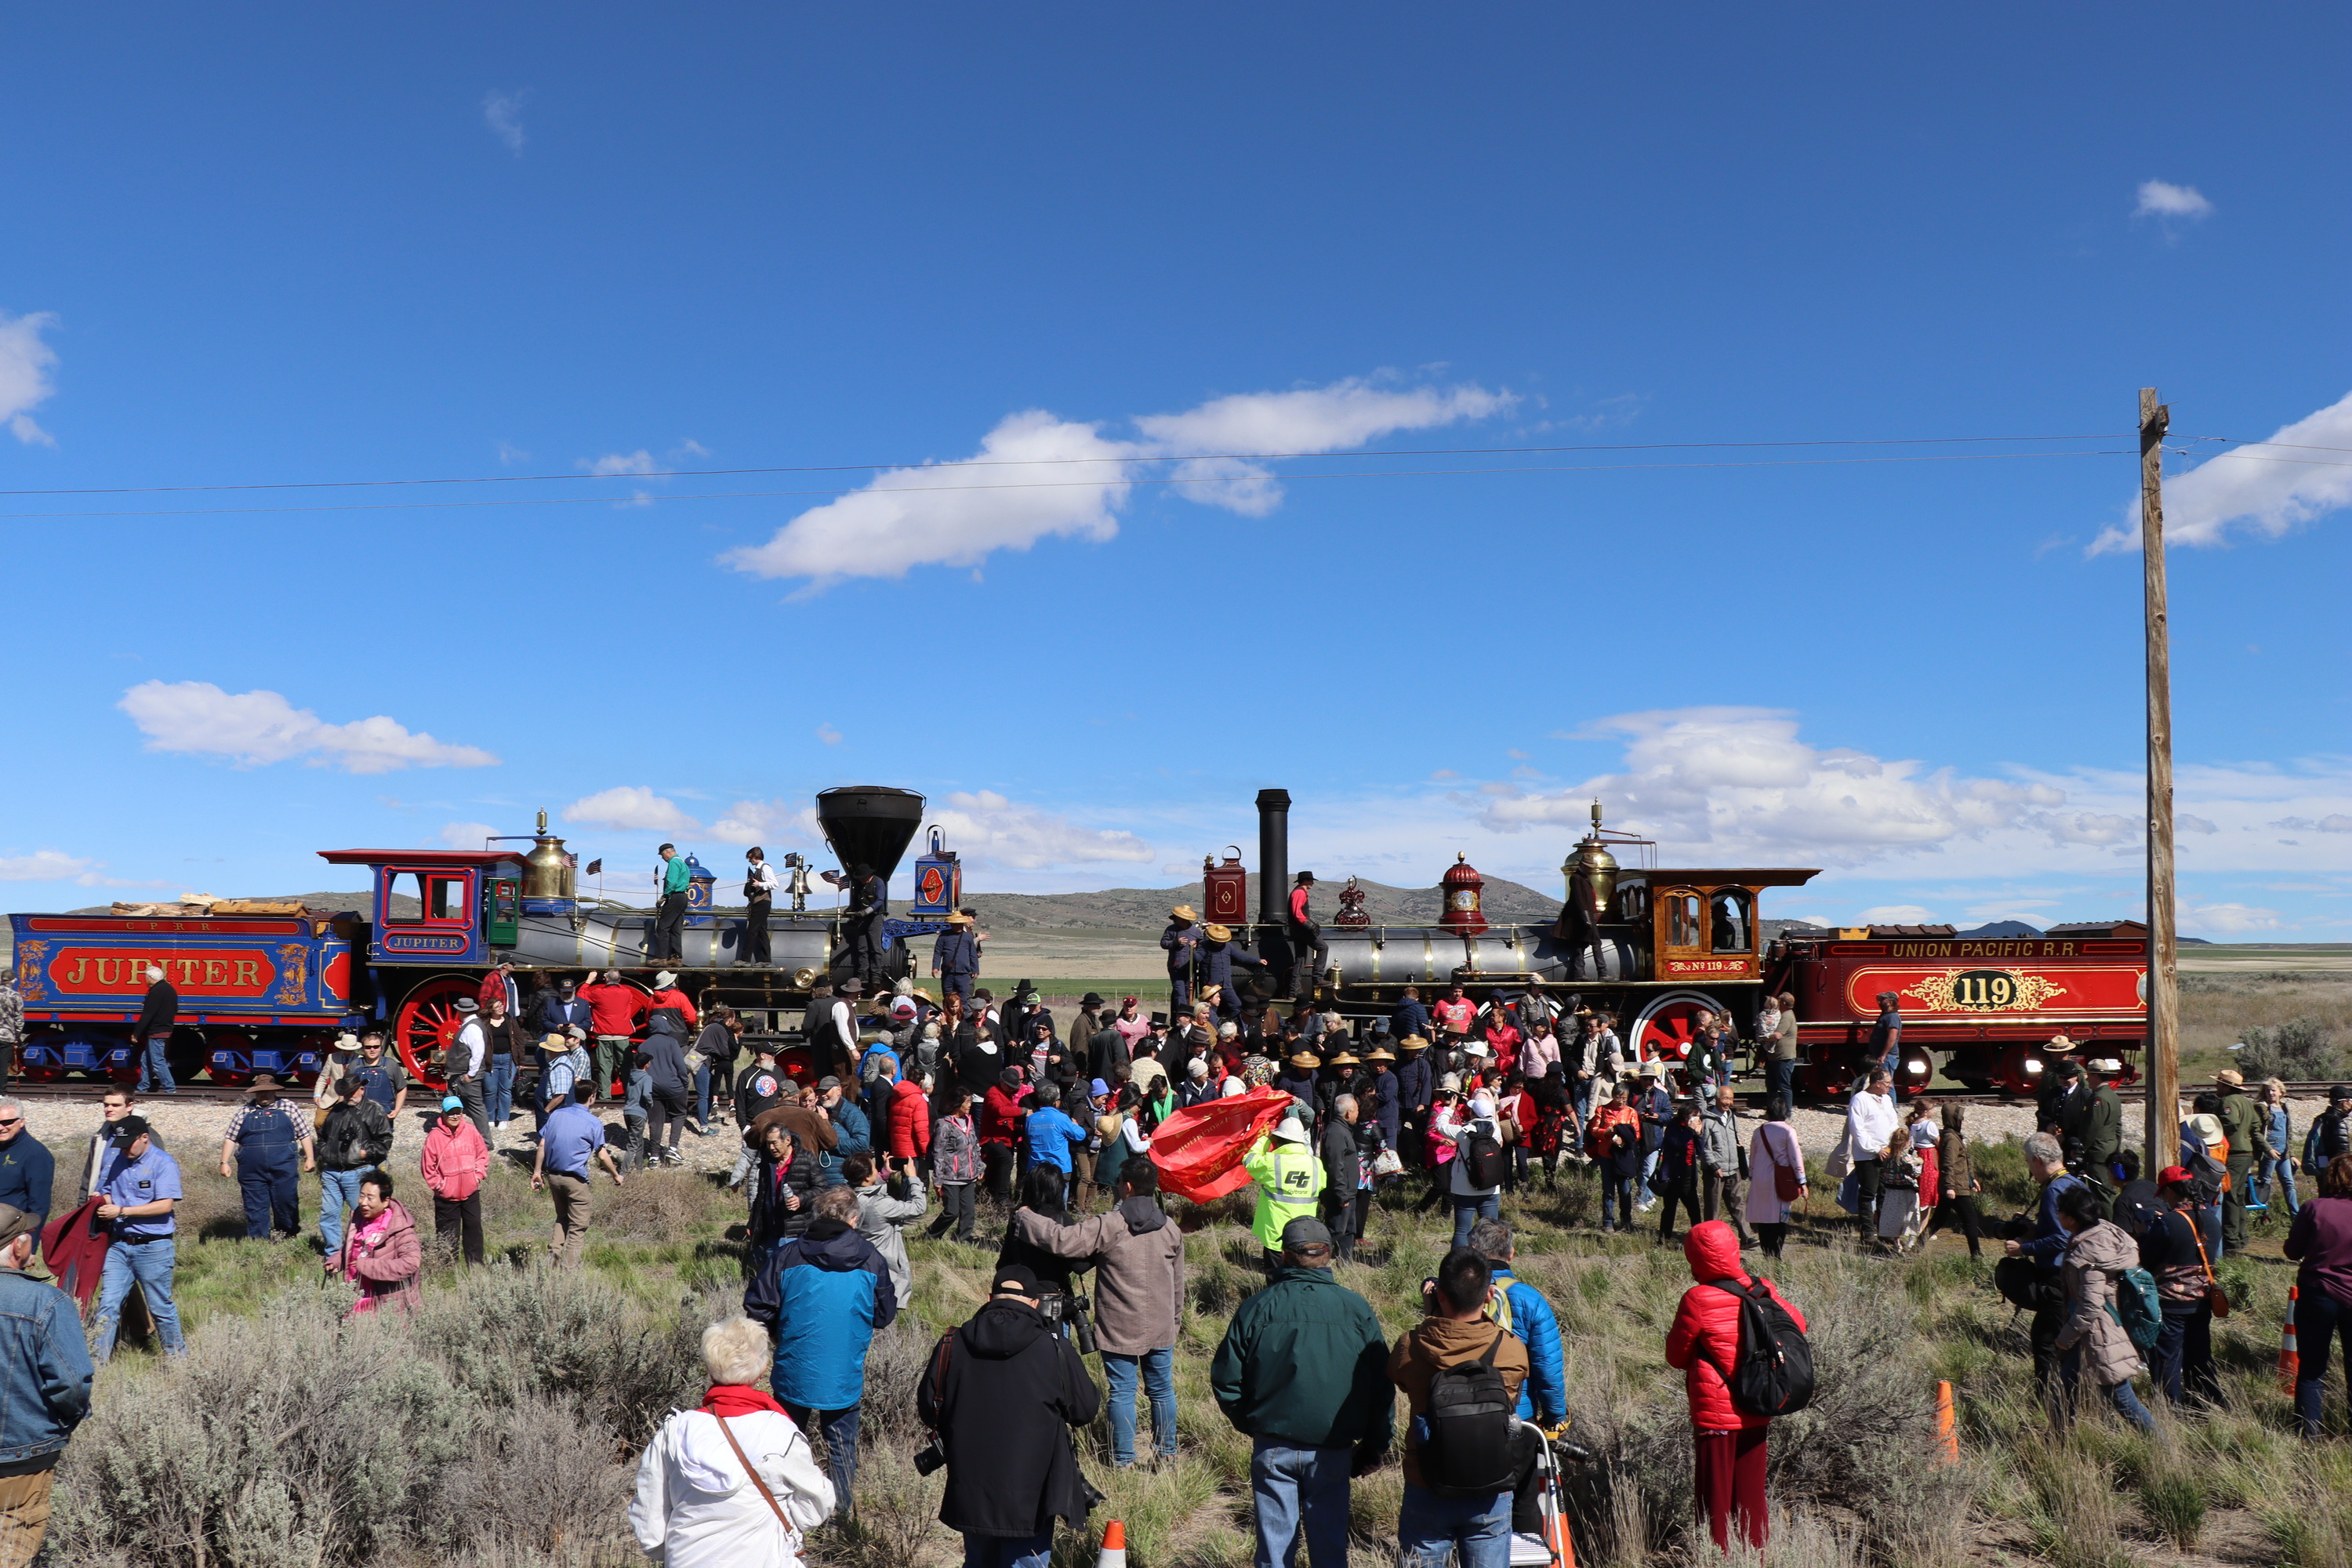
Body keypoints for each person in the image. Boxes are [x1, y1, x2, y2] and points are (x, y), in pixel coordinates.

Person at [1212, 1216, 1392, 1568]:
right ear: (1329, 1254)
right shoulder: (1356, 1309)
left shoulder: (1257, 1307)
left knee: (1275, 1552)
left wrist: (1254, 1423)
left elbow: (1226, 1380)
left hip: (1273, 1445)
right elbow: (1381, 1385)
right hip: (1333, 1449)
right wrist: (1375, 1443)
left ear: (1284, 1255)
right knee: (1329, 1548)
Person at [916, 1262, 1101, 1568]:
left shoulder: (953, 1342)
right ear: (1035, 1302)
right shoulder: (1054, 1349)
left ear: (990, 1298)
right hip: (1034, 1491)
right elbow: (1084, 1411)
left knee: (978, 1561)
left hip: (971, 1484)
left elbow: (928, 1407)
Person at [1011, 1159, 1185, 1469]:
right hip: (1161, 1324)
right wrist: (1175, 1322)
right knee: (1161, 1390)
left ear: (1127, 1187)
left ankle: (1123, 1461)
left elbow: (1062, 1241)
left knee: (1122, 1393)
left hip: (1120, 1324)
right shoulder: (1171, 1228)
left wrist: (1026, 1217)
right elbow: (1178, 1284)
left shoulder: (1110, 1224)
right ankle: (1167, 1455)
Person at [631, 1316, 836, 1568]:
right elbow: (817, 1504)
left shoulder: (675, 1430)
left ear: (710, 1370)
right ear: (763, 1370)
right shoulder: (780, 1432)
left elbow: (649, 1514)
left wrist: (677, 1550)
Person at [744, 1184, 895, 1508]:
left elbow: (757, 1306)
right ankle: (840, 1518)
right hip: (844, 1372)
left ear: (816, 1215)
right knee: (841, 1447)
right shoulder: (872, 1260)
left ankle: (782, 1509)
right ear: (855, 1219)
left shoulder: (787, 1255)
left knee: (784, 1444)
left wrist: (776, 1333)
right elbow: (884, 1315)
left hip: (793, 1368)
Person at [1664, 1220, 1809, 1552]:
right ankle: (1753, 1556)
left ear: (1695, 1258)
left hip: (1716, 1414)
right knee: (1751, 1495)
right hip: (1758, 1404)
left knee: (1713, 1498)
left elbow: (1676, 1355)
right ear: (1734, 1251)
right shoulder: (1761, 1289)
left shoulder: (1697, 1299)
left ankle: (1716, 1556)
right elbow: (1797, 1325)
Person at [1390, 1245, 1528, 1568]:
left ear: (1440, 1294)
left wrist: (1432, 1316)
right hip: (1490, 1487)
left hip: (1427, 1481)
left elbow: (1402, 1377)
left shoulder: (1410, 1346)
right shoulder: (1510, 1350)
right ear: (1489, 1296)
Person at [0, 1201, 91, 1566]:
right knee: (13, 1547)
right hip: (23, 1457)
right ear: (19, 1247)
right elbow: (73, 1385)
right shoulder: (45, 1302)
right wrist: (61, 1425)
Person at [2049, 1183, 2155, 1432]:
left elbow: (2090, 1306)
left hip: (2100, 1334)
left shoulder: (2090, 1252)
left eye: (2061, 1212)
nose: (2058, 1216)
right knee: (2064, 1386)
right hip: (2088, 1332)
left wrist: (2063, 1340)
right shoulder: (2103, 1231)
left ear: (2072, 1219)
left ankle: (2163, 1445)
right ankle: (2056, 1439)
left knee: (2122, 1399)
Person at [1999, 1132, 2088, 1405]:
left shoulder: (2052, 1191)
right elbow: (2069, 1231)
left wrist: (2023, 1248)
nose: (2028, 1167)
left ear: (2038, 1160)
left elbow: (2061, 1239)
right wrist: (2037, 1231)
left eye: (2028, 1162)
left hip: (2056, 1280)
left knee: (2047, 1343)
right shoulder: (2075, 1184)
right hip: (2079, 1275)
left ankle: (2051, 1401)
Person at [92, 1116, 186, 1362]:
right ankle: (95, 1365)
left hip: (153, 1247)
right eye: (121, 1144)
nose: (124, 1149)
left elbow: (165, 1205)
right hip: (119, 1246)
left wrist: (122, 1211)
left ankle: (177, 1361)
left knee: (160, 1308)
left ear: (144, 1138)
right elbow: (108, 1192)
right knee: (107, 1306)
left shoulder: (163, 1163)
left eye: (128, 1144)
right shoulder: (117, 1160)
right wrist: (103, 1202)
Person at [2140, 1165, 2220, 1406]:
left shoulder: (2167, 1222)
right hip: (2202, 1299)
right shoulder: (2212, 1219)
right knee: (2200, 1355)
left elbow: (2147, 1261)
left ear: (2172, 1191)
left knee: (2167, 1358)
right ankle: (2203, 1404)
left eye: (2164, 1193)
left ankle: (2170, 1406)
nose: (2164, 1199)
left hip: (2171, 1302)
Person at [2285, 1154, 2352, 1439]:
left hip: (2318, 1292)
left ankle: (2309, 1435)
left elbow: (2292, 1251)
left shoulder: (2314, 1208)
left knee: (2312, 1369)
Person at [532, 1083, 626, 1268]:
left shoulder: (557, 1114)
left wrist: (537, 1172)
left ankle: (553, 1258)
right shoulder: (593, 1122)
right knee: (578, 1226)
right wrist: (616, 1174)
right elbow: (602, 1154)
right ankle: (569, 1270)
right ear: (592, 1096)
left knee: (562, 1217)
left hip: (553, 1176)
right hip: (575, 1180)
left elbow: (542, 1144)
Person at [219, 1074, 314, 1241]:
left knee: (286, 1201)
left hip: (283, 1166)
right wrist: (224, 1162)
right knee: (255, 1205)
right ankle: (259, 1241)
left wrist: (310, 1158)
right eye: (260, 1092)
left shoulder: (289, 1107)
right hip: (251, 1170)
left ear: (274, 1091)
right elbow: (230, 1137)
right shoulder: (245, 1111)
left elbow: (304, 1134)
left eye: (267, 1092)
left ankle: (287, 1235)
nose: (264, 1095)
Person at [316, 1073, 394, 1256]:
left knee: (363, 1215)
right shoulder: (336, 1111)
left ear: (362, 1089)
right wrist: (324, 1152)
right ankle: (333, 1257)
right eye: (346, 1093)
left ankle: (363, 1253)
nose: (350, 1096)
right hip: (332, 1172)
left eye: (352, 1092)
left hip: (359, 1172)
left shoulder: (374, 1110)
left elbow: (385, 1143)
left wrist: (365, 1153)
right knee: (328, 1216)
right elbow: (322, 1138)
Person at [1247, 1113, 1328, 1275]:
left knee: (1275, 1280)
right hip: (1305, 1233)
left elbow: (1250, 1160)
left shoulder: (1272, 1161)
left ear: (1279, 1140)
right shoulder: (1316, 1163)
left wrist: (1265, 1140)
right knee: (1302, 1276)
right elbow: (1322, 1185)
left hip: (1276, 1234)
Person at [332, 1168, 421, 1316]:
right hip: (357, 1295)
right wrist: (337, 1260)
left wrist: (366, 1265)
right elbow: (353, 1248)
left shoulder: (401, 1229)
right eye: (361, 1196)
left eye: (370, 1198)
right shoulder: (358, 1219)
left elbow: (410, 1264)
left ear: (385, 1201)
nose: (363, 1203)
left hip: (391, 1305)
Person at [845, 1153, 927, 1311]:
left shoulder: (848, 1197)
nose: (877, 1170)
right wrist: (913, 1178)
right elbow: (918, 1207)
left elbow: (867, 1192)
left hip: (861, 1264)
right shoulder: (880, 1205)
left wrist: (884, 1175)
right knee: (886, 1314)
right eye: (875, 1168)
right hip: (886, 1268)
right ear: (867, 1177)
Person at [420, 1095, 491, 1265]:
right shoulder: (434, 1137)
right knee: (447, 1234)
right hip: (446, 1197)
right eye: (451, 1113)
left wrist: (477, 1176)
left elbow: (482, 1155)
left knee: (474, 1230)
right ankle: (447, 1268)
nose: (455, 1116)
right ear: (443, 1114)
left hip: (470, 1193)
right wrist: (440, 1187)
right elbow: (428, 1167)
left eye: (458, 1112)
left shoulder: (471, 1131)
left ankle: (475, 1267)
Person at [1744, 1097, 1806, 1258]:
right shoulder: (1788, 1131)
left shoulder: (1759, 1131)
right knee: (1780, 1218)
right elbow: (1795, 1157)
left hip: (1760, 1179)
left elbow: (1753, 1156)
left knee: (1764, 1219)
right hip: (1781, 1180)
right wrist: (1802, 1181)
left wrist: (1752, 1174)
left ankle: (1766, 1252)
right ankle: (1776, 1253)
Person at [1922, 1101, 1985, 1258]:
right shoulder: (1951, 1138)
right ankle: (1976, 1256)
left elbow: (1960, 1163)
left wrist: (1971, 1180)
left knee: (1937, 1221)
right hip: (1956, 1187)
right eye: (1960, 1118)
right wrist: (1950, 1186)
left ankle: (1916, 1247)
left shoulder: (1951, 1136)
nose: (1962, 1121)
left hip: (1956, 1185)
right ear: (1953, 1118)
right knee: (1971, 1220)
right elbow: (1948, 1164)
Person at [1844, 1069, 1898, 1240]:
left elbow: (1893, 1122)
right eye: (1888, 1083)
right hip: (1867, 1155)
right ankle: (1868, 1231)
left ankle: (1885, 1229)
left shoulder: (1887, 1099)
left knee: (1885, 1192)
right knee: (1868, 1192)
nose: (1890, 1086)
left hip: (1887, 1152)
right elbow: (1857, 1129)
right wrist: (1875, 1149)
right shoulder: (1860, 1100)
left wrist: (1892, 1146)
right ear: (1877, 1083)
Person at [579, 969, 648, 1101]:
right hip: (622, 1035)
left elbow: (581, 996)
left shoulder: (598, 993)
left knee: (605, 1067)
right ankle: (630, 1095)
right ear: (619, 980)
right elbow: (619, 986)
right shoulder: (627, 993)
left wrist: (589, 981)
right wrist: (613, 979)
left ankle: (605, 1095)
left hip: (603, 1035)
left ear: (606, 979)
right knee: (626, 1067)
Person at [925, 1085, 982, 1243]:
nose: (970, 1104)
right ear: (957, 1104)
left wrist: (979, 1166)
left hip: (969, 1175)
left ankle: (962, 1239)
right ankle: (930, 1236)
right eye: (967, 1101)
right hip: (951, 1176)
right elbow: (939, 1152)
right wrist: (937, 1179)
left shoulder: (969, 1121)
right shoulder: (944, 1124)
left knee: (969, 1211)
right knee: (952, 1211)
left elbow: (974, 1145)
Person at [2213, 1069, 2262, 1250]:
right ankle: (2242, 1237)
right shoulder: (2246, 1102)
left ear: (2226, 1087)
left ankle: (2231, 1241)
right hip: (2246, 1154)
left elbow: (2230, 1121)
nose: (2216, 1086)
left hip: (2233, 1153)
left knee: (2232, 1197)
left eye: (2219, 1083)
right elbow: (2256, 1123)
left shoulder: (2228, 1101)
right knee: (2240, 1197)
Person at [1699, 1083, 1752, 1247]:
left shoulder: (1732, 1117)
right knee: (1713, 1208)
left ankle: (1746, 1237)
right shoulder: (1707, 1121)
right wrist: (1714, 1166)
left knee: (1738, 1204)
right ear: (1716, 1099)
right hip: (1716, 1171)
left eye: (1731, 1099)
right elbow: (1704, 1148)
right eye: (1725, 1098)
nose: (1728, 1102)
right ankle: (1710, 1241)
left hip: (1733, 1168)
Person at [1022, 1081, 1089, 1209]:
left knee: (1037, 1204)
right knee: (1059, 1206)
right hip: (1059, 1167)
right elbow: (1080, 1135)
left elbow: (1029, 1136)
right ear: (1056, 1102)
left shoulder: (1031, 1119)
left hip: (1036, 1167)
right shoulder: (1061, 1118)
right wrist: (1075, 1124)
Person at [83, 1088, 159, 1200]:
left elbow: (153, 1179)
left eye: (116, 1105)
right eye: (106, 1105)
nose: (109, 1109)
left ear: (129, 1106)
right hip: (97, 1205)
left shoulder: (147, 1136)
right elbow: (88, 1176)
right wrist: (83, 1205)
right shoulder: (101, 1136)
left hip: (127, 1209)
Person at [1588, 1081, 1643, 1233]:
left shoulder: (1631, 1112)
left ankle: (1626, 1221)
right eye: (1619, 1098)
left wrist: (1624, 1139)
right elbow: (1593, 1130)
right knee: (1608, 1190)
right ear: (1613, 1096)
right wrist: (1606, 1132)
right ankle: (1608, 1221)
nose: (1621, 1101)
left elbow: (1637, 1134)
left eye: (1624, 1098)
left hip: (1623, 1155)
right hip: (1606, 1154)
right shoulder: (1603, 1110)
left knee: (1625, 1189)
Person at [1655, 1100, 1705, 1244]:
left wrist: (1698, 1134)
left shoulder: (1694, 1130)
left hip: (1688, 1174)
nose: (1697, 1120)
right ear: (1686, 1117)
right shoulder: (1673, 1127)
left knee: (1694, 1209)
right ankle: (1664, 1239)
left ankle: (1698, 1238)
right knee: (1670, 1209)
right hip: (1673, 1175)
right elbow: (1677, 1143)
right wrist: (1690, 1131)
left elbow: (1701, 1150)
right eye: (1694, 1116)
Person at [0, 1101, 53, 1234]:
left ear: (22, 1122)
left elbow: (39, 1206)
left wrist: (31, 1247)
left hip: (11, 1234)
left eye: (8, 1122)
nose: (1, 1127)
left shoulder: (36, 1154)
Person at [447, 996, 491, 1141]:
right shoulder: (472, 1025)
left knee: (476, 1107)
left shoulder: (472, 1028)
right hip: (462, 1073)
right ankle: (456, 1134)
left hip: (466, 1074)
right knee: (457, 1103)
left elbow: (478, 1052)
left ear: (461, 1011)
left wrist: (470, 1074)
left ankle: (485, 1140)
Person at [2256, 1076, 2300, 1218]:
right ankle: (2264, 1214)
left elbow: (2289, 1132)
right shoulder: (2261, 1107)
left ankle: (2296, 1215)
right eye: (2268, 1091)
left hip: (2284, 1151)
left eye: (2273, 1090)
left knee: (2289, 1183)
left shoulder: (2284, 1107)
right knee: (2265, 1182)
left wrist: (2292, 1154)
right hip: (2270, 1150)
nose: (2271, 1093)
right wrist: (2267, 1149)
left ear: (2281, 1092)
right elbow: (2257, 1131)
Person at [133, 964, 178, 1095]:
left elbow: (148, 1015)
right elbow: (175, 1009)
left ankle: (170, 1088)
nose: (145, 980)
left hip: (156, 1030)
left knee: (158, 1061)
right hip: (165, 1028)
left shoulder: (156, 991)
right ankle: (143, 1087)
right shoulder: (170, 989)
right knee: (145, 1059)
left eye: (146, 977)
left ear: (151, 978)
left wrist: (136, 1033)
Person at [349, 1027, 408, 1118]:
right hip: (358, 1115)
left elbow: (402, 1088)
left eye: (376, 1047)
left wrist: (397, 1110)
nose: (372, 1050)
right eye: (368, 1047)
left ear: (381, 1048)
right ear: (363, 1048)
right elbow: (345, 1089)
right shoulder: (354, 1065)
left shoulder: (390, 1065)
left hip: (383, 1116)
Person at [1287, 871, 1328, 998]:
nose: (1312, 883)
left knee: (1300, 960)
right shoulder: (1299, 892)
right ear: (1305, 881)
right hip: (1301, 929)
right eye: (1311, 880)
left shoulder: (1298, 891)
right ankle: (1317, 978)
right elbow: (1297, 913)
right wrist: (1309, 925)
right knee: (1323, 947)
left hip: (1296, 929)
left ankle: (1294, 992)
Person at [652, 842, 692, 962]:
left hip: (675, 897)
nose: (662, 858)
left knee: (663, 927)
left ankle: (661, 957)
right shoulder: (682, 863)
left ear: (667, 853)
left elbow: (672, 881)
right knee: (676, 929)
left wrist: (665, 896)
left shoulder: (674, 862)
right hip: (683, 897)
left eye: (662, 855)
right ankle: (676, 957)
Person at [1762, 992, 1799, 1109]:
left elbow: (1778, 1035)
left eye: (1779, 999)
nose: (1776, 1001)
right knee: (1771, 1086)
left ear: (1783, 1002)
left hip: (1784, 1058)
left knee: (1784, 1087)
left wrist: (1763, 1037)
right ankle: (1772, 1112)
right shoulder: (1783, 1014)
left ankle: (1787, 1114)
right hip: (1775, 1057)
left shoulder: (1787, 1016)